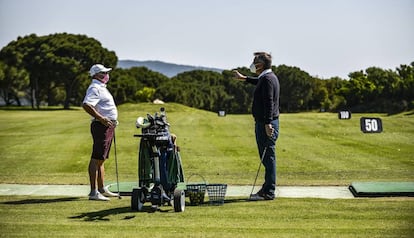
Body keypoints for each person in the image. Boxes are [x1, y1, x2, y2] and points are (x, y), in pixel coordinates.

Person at [233, 52, 280, 200]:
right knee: (267, 157)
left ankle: (268, 192)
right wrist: (245, 78)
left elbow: (269, 103)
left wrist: (267, 123)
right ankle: (266, 189)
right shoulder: (267, 77)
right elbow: (258, 82)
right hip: (266, 122)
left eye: (255, 61)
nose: (253, 64)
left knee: (268, 157)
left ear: (260, 65)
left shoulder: (266, 79)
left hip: (266, 123)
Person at [83, 64, 120, 201]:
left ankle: (101, 189)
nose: (106, 75)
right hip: (101, 126)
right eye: (103, 72)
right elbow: (87, 105)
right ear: (96, 75)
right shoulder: (95, 88)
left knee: (102, 159)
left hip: (107, 126)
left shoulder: (101, 87)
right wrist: (102, 118)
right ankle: (93, 193)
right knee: (96, 158)